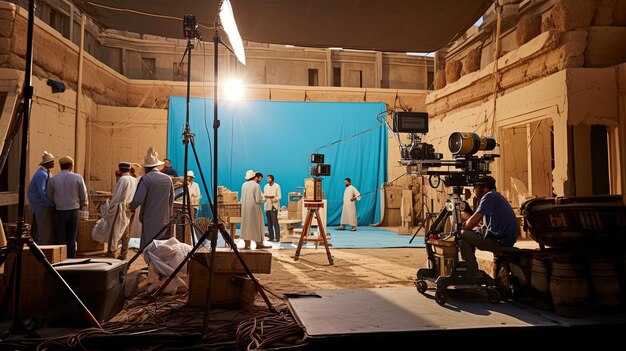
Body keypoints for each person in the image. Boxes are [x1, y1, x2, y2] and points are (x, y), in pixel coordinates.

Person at [460, 176, 518, 274]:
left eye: (477, 188)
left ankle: (473, 273)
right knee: (470, 233)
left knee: (462, 234)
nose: (475, 191)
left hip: (500, 240)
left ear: (485, 189)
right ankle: (472, 270)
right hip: (504, 238)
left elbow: (471, 224)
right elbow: (482, 224)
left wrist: (461, 227)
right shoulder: (496, 196)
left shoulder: (489, 196)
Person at [130, 147, 175, 249]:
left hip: (149, 218)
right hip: (164, 219)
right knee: (161, 248)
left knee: (148, 247)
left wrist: (130, 206)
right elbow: (171, 199)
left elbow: (137, 200)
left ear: (146, 168)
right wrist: (168, 215)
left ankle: (150, 263)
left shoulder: (146, 179)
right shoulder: (167, 179)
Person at [47, 156, 88, 258]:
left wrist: (56, 202)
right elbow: (83, 194)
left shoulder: (53, 179)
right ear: (70, 166)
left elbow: (49, 195)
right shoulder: (78, 178)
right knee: (72, 238)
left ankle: (59, 259)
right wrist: (84, 206)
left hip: (59, 210)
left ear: (61, 166)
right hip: (74, 210)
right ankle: (71, 259)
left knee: (59, 237)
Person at [105, 162, 137, 259]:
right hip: (130, 206)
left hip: (120, 207)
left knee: (116, 230)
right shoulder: (134, 179)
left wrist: (110, 206)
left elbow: (117, 195)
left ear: (120, 169)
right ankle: (124, 253)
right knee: (126, 231)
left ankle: (112, 251)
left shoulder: (122, 179)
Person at [28, 151, 55, 244]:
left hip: (41, 204)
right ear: (47, 163)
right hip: (41, 205)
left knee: (40, 229)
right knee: (44, 230)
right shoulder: (42, 174)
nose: (53, 163)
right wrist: (51, 204)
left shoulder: (46, 172)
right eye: (52, 161)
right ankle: (42, 251)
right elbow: (42, 192)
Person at [240, 170, 271, 250]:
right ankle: (259, 244)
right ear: (255, 177)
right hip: (254, 209)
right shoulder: (256, 186)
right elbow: (257, 200)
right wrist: (264, 200)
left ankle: (247, 245)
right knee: (257, 226)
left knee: (247, 226)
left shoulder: (244, 185)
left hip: (245, 210)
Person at [263, 174, 281, 242]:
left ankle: (277, 237)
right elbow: (265, 195)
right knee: (269, 223)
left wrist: (272, 198)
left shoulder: (277, 186)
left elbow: (279, 196)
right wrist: (267, 197)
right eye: (267, 178)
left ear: (272, 179)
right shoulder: (265, 186)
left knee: (275, 222)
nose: (268, 180)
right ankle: (271, 237)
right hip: (267, 205)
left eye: (269, 178)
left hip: (274, 205)